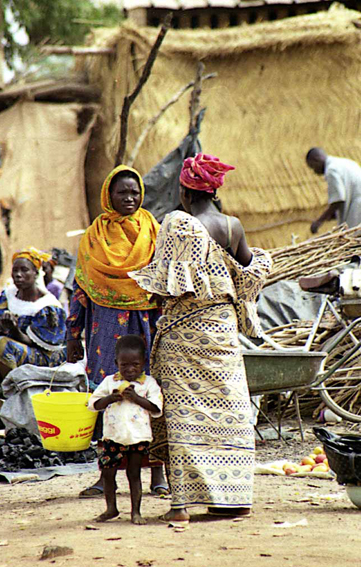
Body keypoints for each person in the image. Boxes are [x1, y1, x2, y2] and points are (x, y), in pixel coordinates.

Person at [130, 153, 272, 524]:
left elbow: (164, 285)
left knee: (184, 415)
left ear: (185, 191)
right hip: (222, 331)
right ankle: (235, 499)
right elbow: (247, 271)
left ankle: (181, 506)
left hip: (185, 334)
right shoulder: (232, 226)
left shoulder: (177, 224)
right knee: (229, 411)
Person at [66, 164, 169, 498]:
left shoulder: (154, 230)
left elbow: (167, 282)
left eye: (135, 192)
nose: (130, 198)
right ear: (108, 195)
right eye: (122, 192)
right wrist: (72, 333)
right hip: (105, 328)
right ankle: (105, 474)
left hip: (147, 327)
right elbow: (80, 287)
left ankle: (157, 472)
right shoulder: (94, 236)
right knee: (107, 396)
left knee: (150, 394)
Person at [88, 334, 163, 525]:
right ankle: (111, 508)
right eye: (124, 365)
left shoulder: (148, 384)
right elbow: (93, 404)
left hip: (138, 437)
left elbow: (156, 409)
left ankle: (135, 512)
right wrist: (110, 398)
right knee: (108, 473)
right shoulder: (109, 382)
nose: (130, 370)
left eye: (135, 365)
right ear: (116, 363)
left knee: (134, 474)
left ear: (143, 363)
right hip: (112, 437)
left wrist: (137, 398)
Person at [0, 247, 67, 390]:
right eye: (15, 271)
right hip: (17, 349)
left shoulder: (47, 306)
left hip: (45, 356)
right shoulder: (8, 295)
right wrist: (2, 325)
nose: (18, 275)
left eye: (24, 270)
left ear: (36, 273)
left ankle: (9, 388)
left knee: (2, 345)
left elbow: (45, 346)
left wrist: (14, 330)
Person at [306, 148, 361, 233]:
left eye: (313, 167)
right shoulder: (344, 162)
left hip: (358, 207)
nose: (315, 171)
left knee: (354, 236)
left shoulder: (331, 170)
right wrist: (333, 215)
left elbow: (338, 200)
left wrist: (319, 221)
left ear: (316, 160)